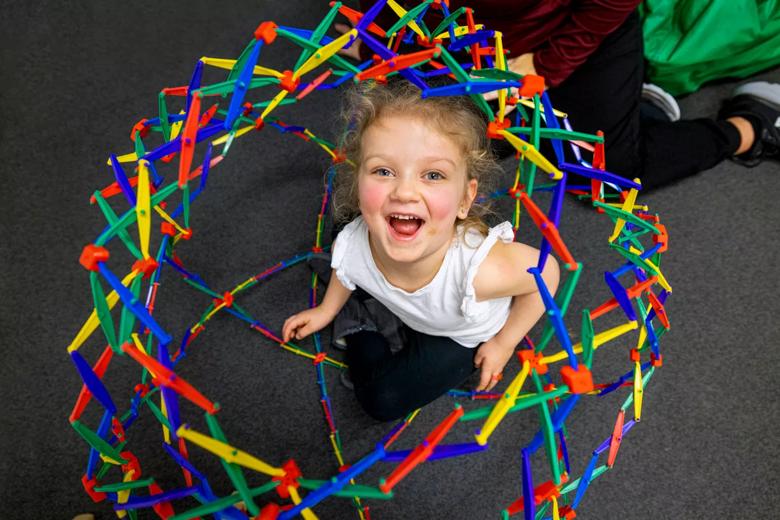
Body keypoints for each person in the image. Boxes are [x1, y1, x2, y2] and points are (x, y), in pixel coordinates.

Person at [282, 79, 560, 422]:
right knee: (344, 233)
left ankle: (363, 321)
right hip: (403, 296)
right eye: (383, 171)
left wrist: (504, 343)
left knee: (382, 400)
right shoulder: (356, 241)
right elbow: (346, 267)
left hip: (457, 332)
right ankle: (359, 318)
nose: (405, 191)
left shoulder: (480, 271)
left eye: (432, 175)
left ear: (465, 198)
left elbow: (546, 273)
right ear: (358, 180)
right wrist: (326, 310)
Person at [342, 1, 779, 190]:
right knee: (435, 151)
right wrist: (378, 35)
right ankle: (638, 106)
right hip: (464, 44)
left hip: (572, 39)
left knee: (607, 176)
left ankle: (750, 125)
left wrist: (545, 68)